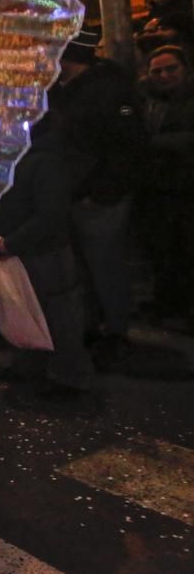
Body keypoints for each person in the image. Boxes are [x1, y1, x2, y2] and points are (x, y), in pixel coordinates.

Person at [53, 25, 144, 361]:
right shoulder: (67, 91)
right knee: (82, 268)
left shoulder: (106, 91)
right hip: (74, 196)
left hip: (98, 198)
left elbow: (126, 147)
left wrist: (104, 193)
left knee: (105, 265)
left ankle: (116, 331)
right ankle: (93, 325)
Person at [0, 118, 95, 403]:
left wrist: (13, 241)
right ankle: (31, 368)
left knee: (59, 315)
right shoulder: (20, 157)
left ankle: (69, 377)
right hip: (23, 248)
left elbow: (51, 215)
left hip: (45, 251)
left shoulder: (47, 161)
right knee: (26, 309)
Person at [138, 45, 194, 325]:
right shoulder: (143, 100)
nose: (164, 75)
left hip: (186, 188)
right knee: (162, 250)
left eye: (171, 69)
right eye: (157, 70)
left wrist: (153, 144)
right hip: (156, 190)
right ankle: (169, 304)